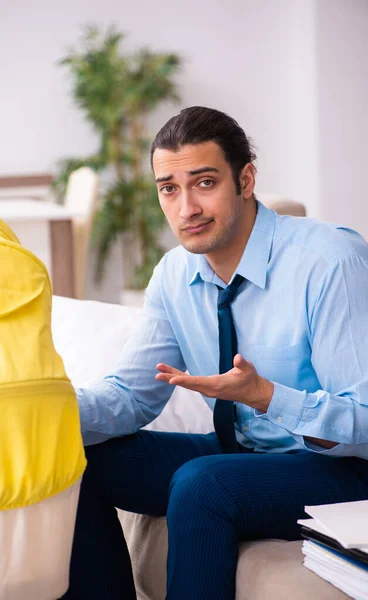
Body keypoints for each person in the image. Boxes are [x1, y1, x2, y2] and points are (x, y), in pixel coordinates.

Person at [61, 106, 368, 600]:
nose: (187, 209)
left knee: (205, 483)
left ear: (245, 180)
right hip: (245, 453)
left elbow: (366, 420)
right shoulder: (174, 274)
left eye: (204, 183)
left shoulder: (330, 262)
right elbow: (131, 398)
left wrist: (268, 396)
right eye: (169, 189)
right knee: (72, 454)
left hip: (343, 469)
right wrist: (43, 408)